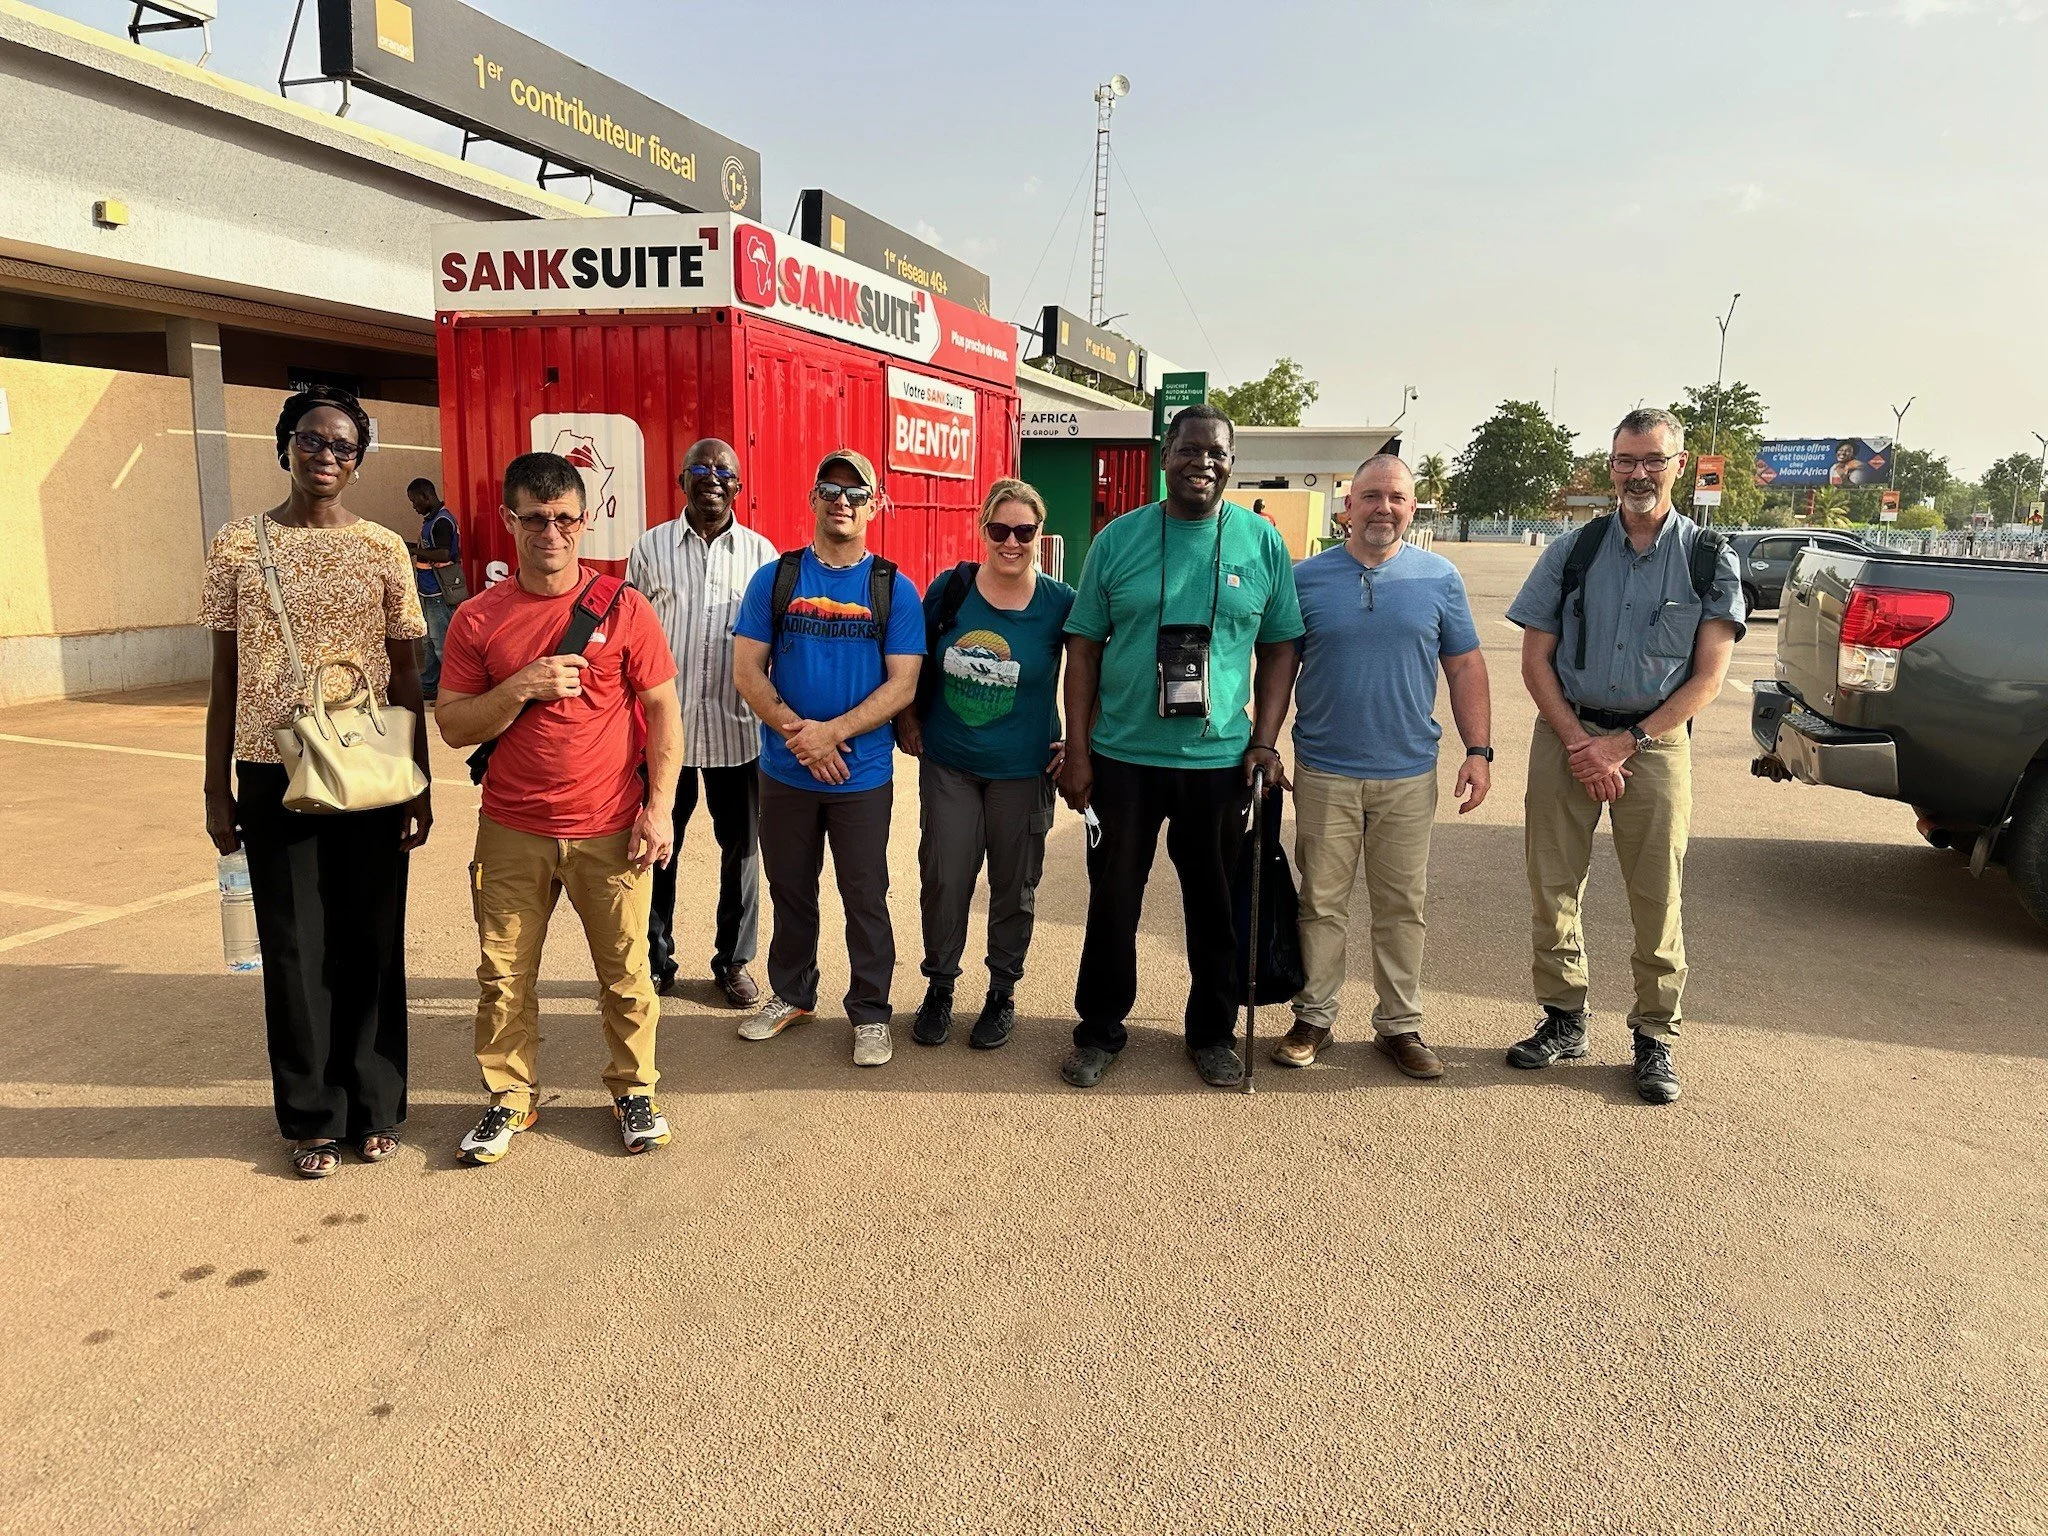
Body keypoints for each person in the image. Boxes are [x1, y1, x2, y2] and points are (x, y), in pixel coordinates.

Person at [198, 385, 432, 1179]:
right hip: (270, 768)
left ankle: (374, 1104)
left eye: (342, 445)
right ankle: (311, 1118)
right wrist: (216, 788)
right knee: (295, 946)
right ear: (285, 446)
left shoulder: (383, 548)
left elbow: (407, 674)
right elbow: (224, 675)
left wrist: (420, 784)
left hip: (367, 763)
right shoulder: (239, 544)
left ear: (358, 461)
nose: (326, 455)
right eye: (312, 439)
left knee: (371, 937)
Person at [435, 452, 683, 1165]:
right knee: (503, 976)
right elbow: (453, 725)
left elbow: (664, 711)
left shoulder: (624, 607)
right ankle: (510, 1097)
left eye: (565, 519)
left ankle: (634, 1091)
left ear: (586, 520)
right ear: (509, 520)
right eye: (536, 519)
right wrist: (523, 685)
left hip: (610, 825)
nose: (552, 533)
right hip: (512, 828)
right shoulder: (478, 619)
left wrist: (659, 809)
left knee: (627, 976)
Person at [1057, 403, 1304, 1089]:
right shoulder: (1118, 539)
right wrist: (1077, 751)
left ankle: (1212, 1033)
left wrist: (1265, 741)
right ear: (1166, 456)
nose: (1203, 463)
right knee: (1113, 903)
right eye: (1190, 449)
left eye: (1217, 452)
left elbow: (1281, 647)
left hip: (1219, 763)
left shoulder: (1261, 542)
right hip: (1123, 760)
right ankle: (1100, 1029)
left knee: (1215, 905)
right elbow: (1083, 649)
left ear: (1232, 463)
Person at [1504, 407, 1745, 1104]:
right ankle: (1564, 1018)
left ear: (1679, 465)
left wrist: (1626, 742)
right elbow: (1535, 661)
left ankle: (1655, 1036)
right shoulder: (1571, 552)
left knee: (1656, 893)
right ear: (1610, 466)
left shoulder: (1707, 558)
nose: (1639, 474)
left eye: (1653, 460)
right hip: (1567, 734)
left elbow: (1708, 678)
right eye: (1626, 460)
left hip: (1655, 743)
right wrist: (1581, 743)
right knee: (1552, 883)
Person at [1267, 454, 1493, 1079]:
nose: (1383, 508)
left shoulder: (1439, 577)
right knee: (1321, 902)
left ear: (1412, 508)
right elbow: (1280, 667)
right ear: (1348, 506)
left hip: (1408, 773)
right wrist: (1265, 743)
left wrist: (1478, 751)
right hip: (1325, 771)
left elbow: (1465, 666)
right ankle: (1314, 1017)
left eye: (1396, 498)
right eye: (1370, 496)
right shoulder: (1305, 579)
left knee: (1401, 905)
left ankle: (1400, 1025)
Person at [731, 449, 923, 1066]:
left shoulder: (894, 588)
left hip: (861, 775)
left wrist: (831, 734)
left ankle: (870, 1012)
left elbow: (903, 685)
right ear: (812, 499)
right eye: (831, 490)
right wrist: (803, 739)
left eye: (856, 492)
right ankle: (792, 994)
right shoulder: (775, 579)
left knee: (865, 894)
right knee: (790, 888)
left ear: (875, 506)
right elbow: (747, 672)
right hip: (787, 769)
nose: (843, 501)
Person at [894, 479, 1074, 1050]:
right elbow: (911, 659)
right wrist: (907, 719)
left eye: (1024, 530)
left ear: (1040, 533)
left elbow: (1099, 670)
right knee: (944, 878)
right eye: (1000, 529)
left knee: (1014, 886)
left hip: (1024, 770)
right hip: (950, 763)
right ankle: (940, 987)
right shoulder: (952, 590)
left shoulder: (1060, 604)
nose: (1011, 542)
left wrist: (1082, 741)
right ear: (983, 530)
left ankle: (1002, 993)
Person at [627, 438, 776, 1007]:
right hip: (665, 736)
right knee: (657, 848)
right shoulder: (650, 548)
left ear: (739, 486)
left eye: (724, 471)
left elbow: (773, 643)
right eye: (700, 467)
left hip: (738, 733)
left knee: (742, 854)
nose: (712, 477)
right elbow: (630, 637)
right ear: (681, 480)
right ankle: (655, 959)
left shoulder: (762, 554)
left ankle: (733, 962)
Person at [405, 478, 459, 702]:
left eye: (415, 501)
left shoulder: (442, 521)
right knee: (429, 642)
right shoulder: (431, 520)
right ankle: (429, 685)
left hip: (439, 592)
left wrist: (416, 551)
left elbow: (445, 554)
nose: (414, 506)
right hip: (429, 591)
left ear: (426, 496)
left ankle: (452, 692)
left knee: (441, 645)